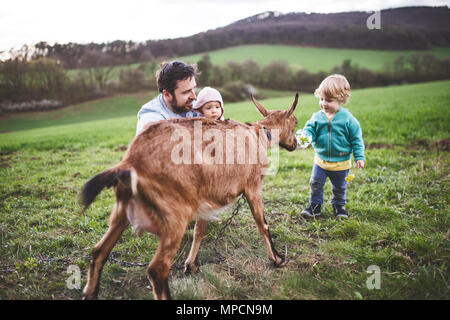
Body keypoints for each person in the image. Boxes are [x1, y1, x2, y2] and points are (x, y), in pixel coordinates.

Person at [299, 74, 365, 219]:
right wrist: (305, 137)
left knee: (340, 187)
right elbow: (308, 129)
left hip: (341, 164)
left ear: (341, 99)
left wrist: (359, 157)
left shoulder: (348, 120)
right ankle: (314, 207)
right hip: (321, 162)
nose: (323, 103)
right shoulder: (317, 117)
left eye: (328, 100)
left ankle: (339, 207)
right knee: (315, 184)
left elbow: (356, 140)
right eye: (321, 99)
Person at [136, 60, 199, 135]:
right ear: (167, 95)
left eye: (193, 89)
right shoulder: (151, 118)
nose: (194, 97)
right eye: (186, 92)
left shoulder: (193, 105)